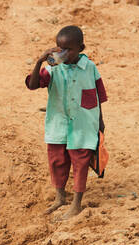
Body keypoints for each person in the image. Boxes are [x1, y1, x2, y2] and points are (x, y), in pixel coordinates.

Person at [26, 25, 107, 219]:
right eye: (59, 48)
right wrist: (39, 62)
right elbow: (32, 85)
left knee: (80, 162)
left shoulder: (90, 68)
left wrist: (101, 123)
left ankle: (76, 204)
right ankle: (60, 197)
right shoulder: (53, 70)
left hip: (83, 125)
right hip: (58, 124)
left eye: (69, 49)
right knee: (57, 162)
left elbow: (98, 96)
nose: (63, 53)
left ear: (81, 47)